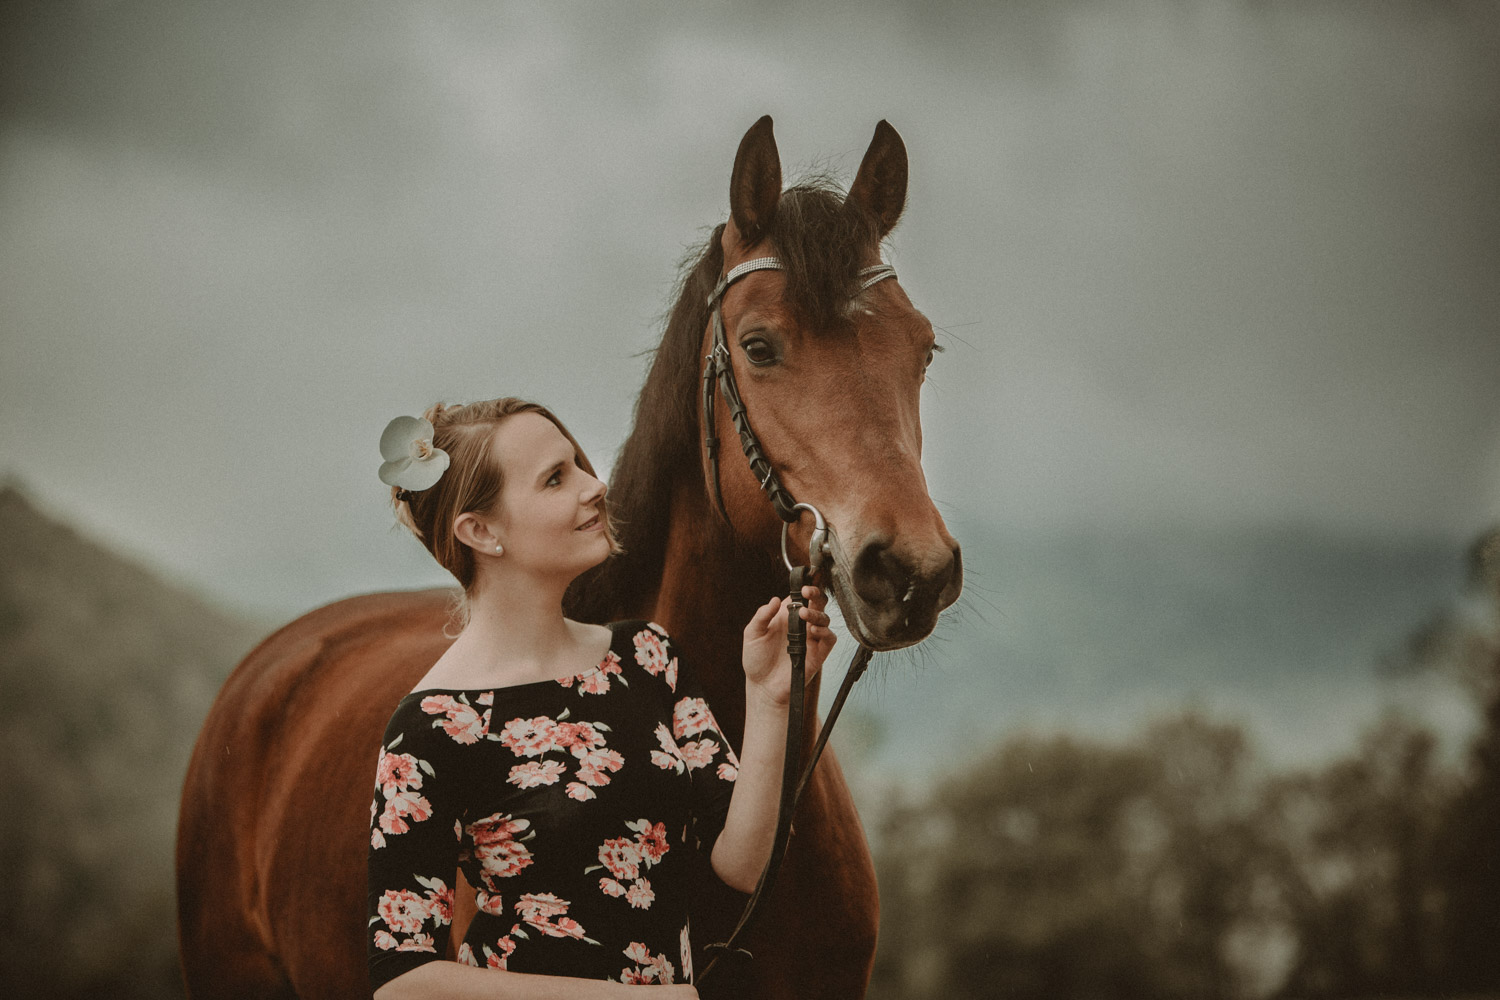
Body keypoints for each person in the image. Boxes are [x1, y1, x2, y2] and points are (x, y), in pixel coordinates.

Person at [367, 397, 834, 998]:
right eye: (557, 479)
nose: (596, 486)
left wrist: (770, 699)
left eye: (580, 465)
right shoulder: (432, 726)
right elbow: (401, 979)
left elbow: (746, 865)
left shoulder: (647, 656)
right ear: (481, 531)